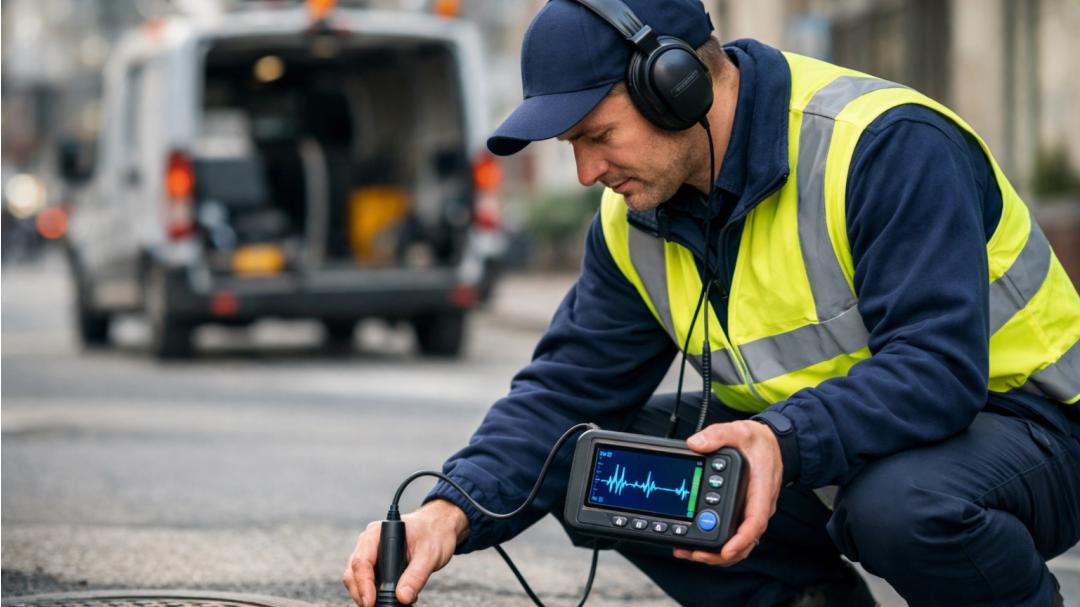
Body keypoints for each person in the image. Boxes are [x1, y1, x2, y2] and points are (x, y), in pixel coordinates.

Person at [344, 1, 1080, 605]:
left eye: (597, 135)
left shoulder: (881, 147)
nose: (585, 171)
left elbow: (937, 368)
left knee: (900, 505)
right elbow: (564, 392)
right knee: (583, 462)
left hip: (1030, 424)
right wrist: (451, 509)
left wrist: (781, 439)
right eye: (572, 145)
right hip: (830, 442)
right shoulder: (632, 218)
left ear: (678, 85)